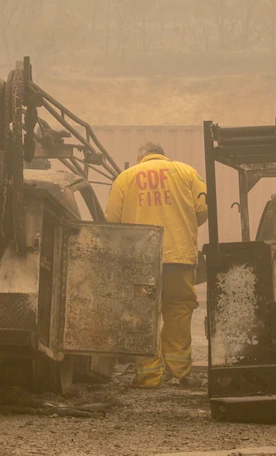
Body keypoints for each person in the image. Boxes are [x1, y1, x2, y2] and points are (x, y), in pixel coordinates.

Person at [105, 141, 207, 388]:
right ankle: (180, 373)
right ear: (162, 154)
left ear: (140, 156)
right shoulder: (187, 172)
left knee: (143, 314)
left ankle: (148, 377)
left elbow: (112, 220)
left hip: (141, 261)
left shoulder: (125, 177)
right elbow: (203, 209)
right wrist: (183, 225)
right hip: (179, 257)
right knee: (179, 310)